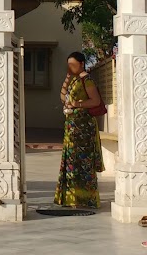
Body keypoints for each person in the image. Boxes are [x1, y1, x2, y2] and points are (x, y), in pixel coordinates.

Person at [54, 51, 105, 208]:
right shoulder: (74, 80)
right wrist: (67, 77)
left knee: (83, 163)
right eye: (68, 65)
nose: (70, 67)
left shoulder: (87, 80)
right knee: (71, 162)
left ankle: (86, 199)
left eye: (73, 64)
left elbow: (95, 101)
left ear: (81, 63)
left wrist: (78, 105)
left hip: (83, 128)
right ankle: (72, 198)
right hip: (72, 127)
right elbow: (63, 97)